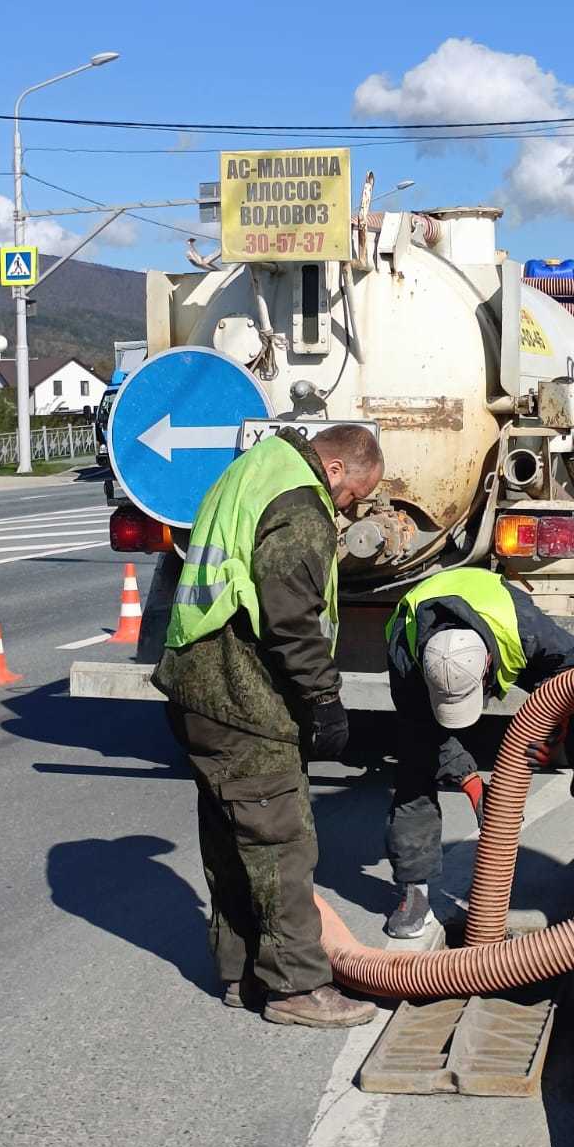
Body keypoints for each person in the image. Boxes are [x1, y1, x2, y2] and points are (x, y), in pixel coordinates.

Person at [154, 422, 384, 1026]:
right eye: (354, 494)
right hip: (242, 695)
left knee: (232, 838)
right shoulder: (301, 502)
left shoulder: (253, 470)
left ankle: (239, 974)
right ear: (335, 469)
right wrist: (325, 699)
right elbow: (288, 612)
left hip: (199, 684)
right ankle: (295, 989)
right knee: (281, 841)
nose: (349, 508)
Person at [383, 566, 574, 938]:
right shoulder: (405, 647)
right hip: (429, 659)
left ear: (488, 667)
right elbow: (424, 731)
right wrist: (475, 786)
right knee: (414, 763)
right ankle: (415, 892)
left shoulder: (524, 626)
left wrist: (553, 732)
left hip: (506, 636)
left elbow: (565, 665)